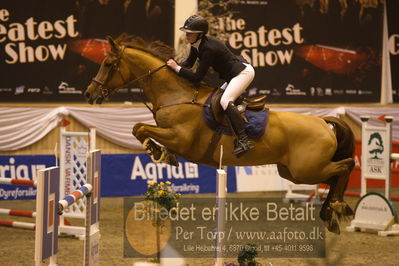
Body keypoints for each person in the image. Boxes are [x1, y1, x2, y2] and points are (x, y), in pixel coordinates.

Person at [166, 15, 255, 157]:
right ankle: (235, 116)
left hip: (243, 73)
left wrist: (176, 68)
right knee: (216, 98)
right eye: (186, 32)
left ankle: (244, 140)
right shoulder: (197, 44)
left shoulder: (208, 49)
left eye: (190, 32)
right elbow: (188, 63)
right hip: (233, 74)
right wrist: (171, 68)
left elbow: (197, 77)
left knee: (225, 100)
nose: (187, 35)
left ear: (200, 34)